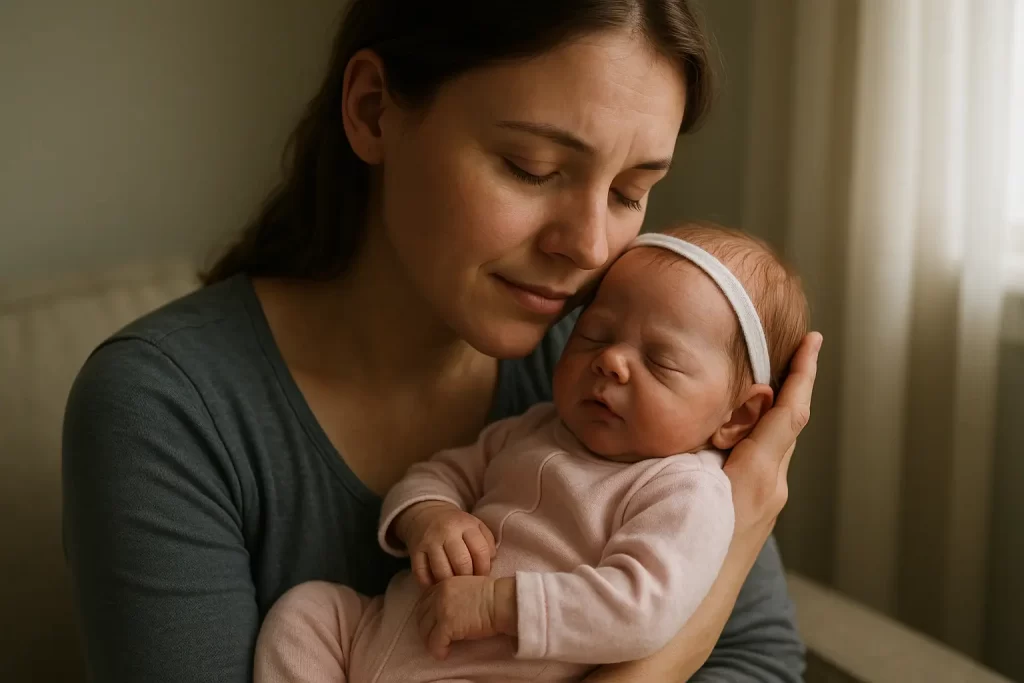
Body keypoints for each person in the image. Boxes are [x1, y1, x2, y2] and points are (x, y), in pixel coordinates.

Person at [61, 1, 822, 681]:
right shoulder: (164, 410)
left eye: (631, 191)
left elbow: (757, 660)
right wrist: (738, 532)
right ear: (371, 111)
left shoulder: (610, 367)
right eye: (533, 168)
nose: (591, 246)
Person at [253, 223, 810, 683]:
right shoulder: (536, 427)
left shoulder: (685, 489)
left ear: (737, 417)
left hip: (490, 671)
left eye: (661, 361)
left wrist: (499, 606)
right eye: (593, 335)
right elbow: (441, 472)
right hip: (377, 634)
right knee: (307, 613)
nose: (611, 361)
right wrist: (430, 516)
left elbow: (642, 606)